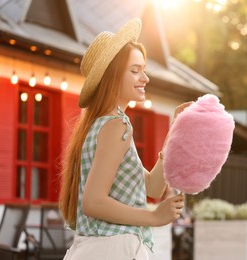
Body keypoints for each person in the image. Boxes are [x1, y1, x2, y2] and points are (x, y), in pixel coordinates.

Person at [59, 18, 188, 260]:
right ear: (113, 76)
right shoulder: (116, 125)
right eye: (135, 70)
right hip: (115, 249)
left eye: (144, 70)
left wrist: (175, 132)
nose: (145, 78)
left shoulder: (103, 123)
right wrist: (153, 217)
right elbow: (93, 202)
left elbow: (153, 187)